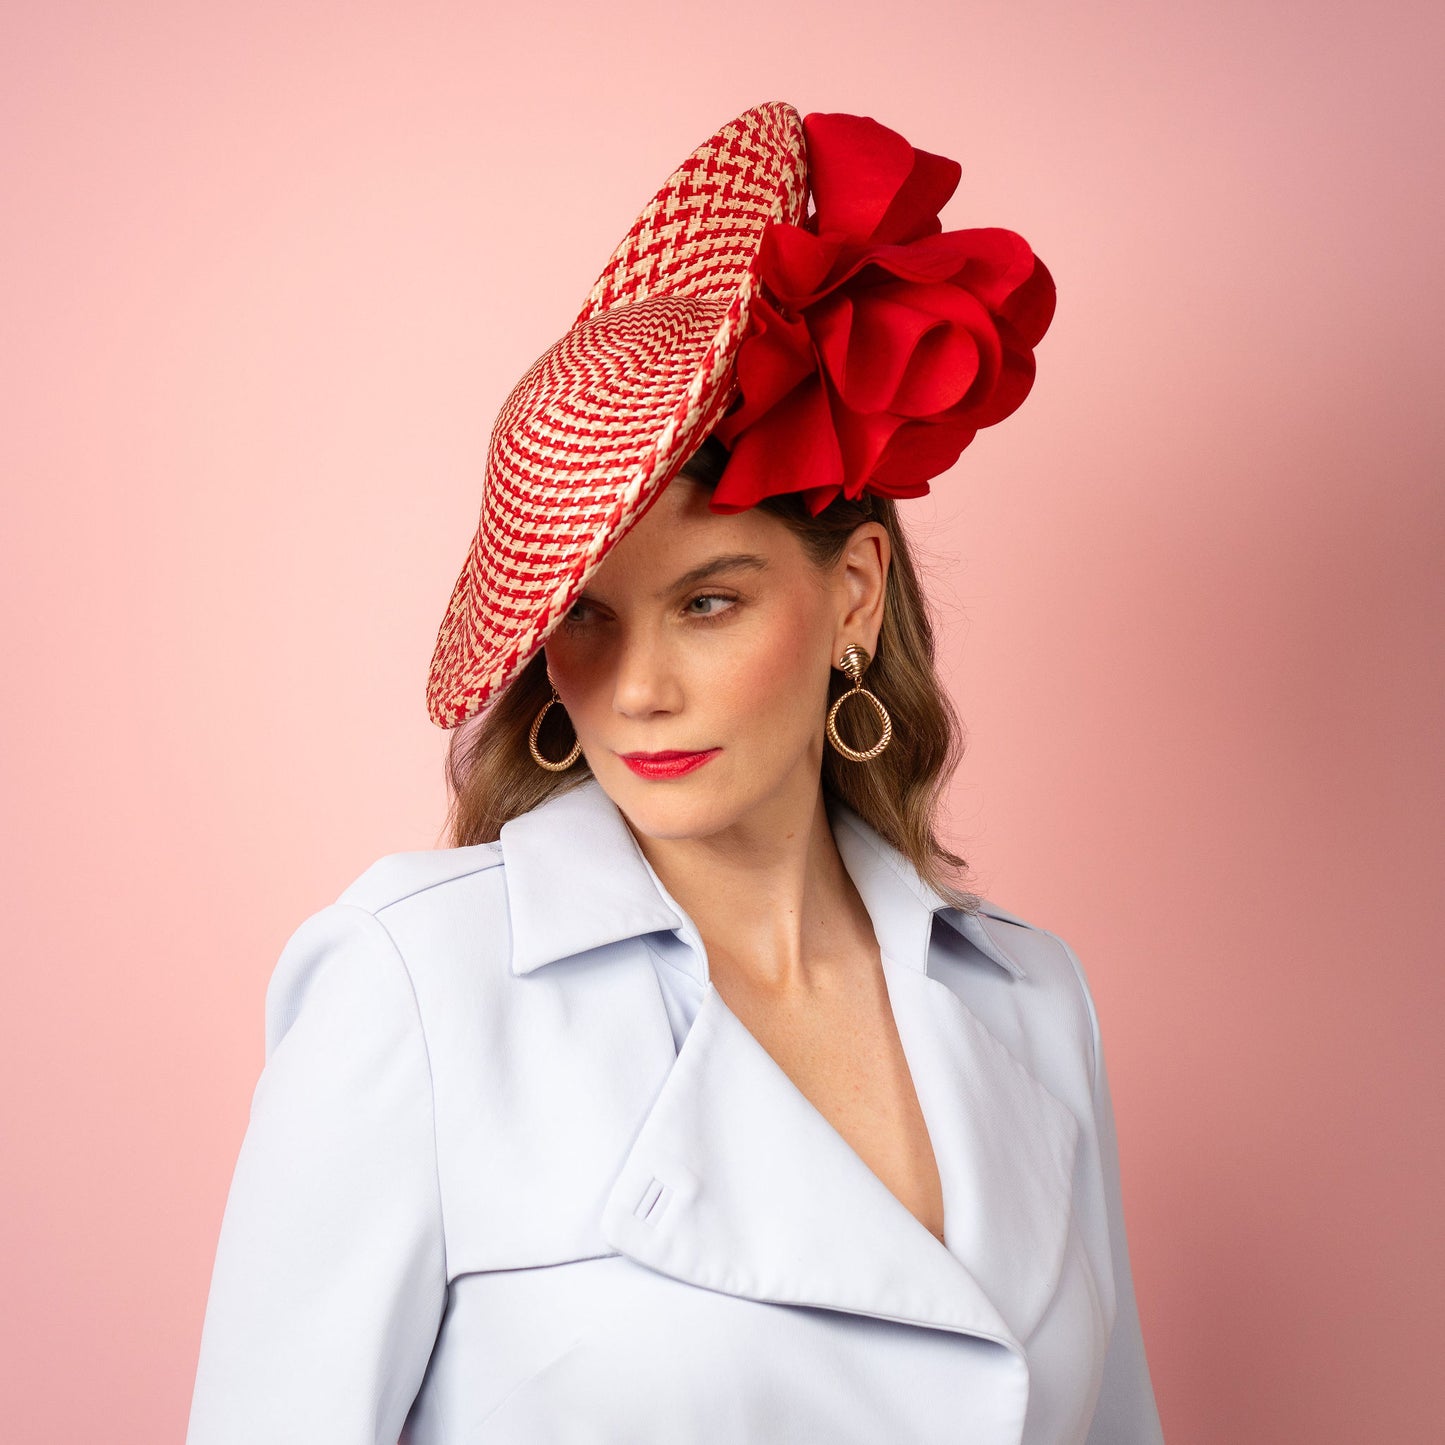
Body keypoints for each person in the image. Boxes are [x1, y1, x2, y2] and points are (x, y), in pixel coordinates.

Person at [186, 103, 1166, 1444]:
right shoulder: (411, 986)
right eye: (584, 615)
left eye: (708, 602)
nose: (637, 684)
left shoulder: (1033, 1000)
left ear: (854, 600)